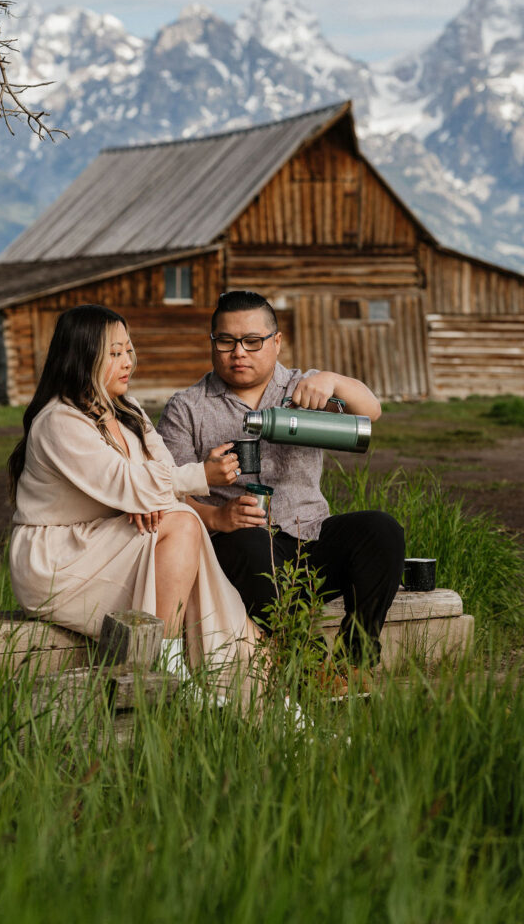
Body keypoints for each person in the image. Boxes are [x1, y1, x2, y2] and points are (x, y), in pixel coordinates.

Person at [7, 304, 261, 690]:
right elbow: (128, 481)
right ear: (82, 357)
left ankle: (231, 670)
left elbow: (156, 468)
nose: (128, 361)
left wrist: (148, 499)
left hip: (105, 536)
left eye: (128, 349)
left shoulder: (126, 408)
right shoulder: (59, 421)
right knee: (182, 523)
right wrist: (198, 477)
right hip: (56, 557)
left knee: (180, 524)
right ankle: (167, 666)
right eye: (113, 353)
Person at [156, 290, 405, 679]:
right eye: (226, 341)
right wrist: (218, 515)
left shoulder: (304, 388)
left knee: (381, 530)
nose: (239, 352)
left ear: (276, 342)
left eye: (253, 341)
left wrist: (333, 380)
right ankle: (305, 664)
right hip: (244, 553)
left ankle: (354, 661)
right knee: (250, 542)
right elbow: (166, 493)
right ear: (213, 343)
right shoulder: (187, 408)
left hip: (312, 541)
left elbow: (370, 412)